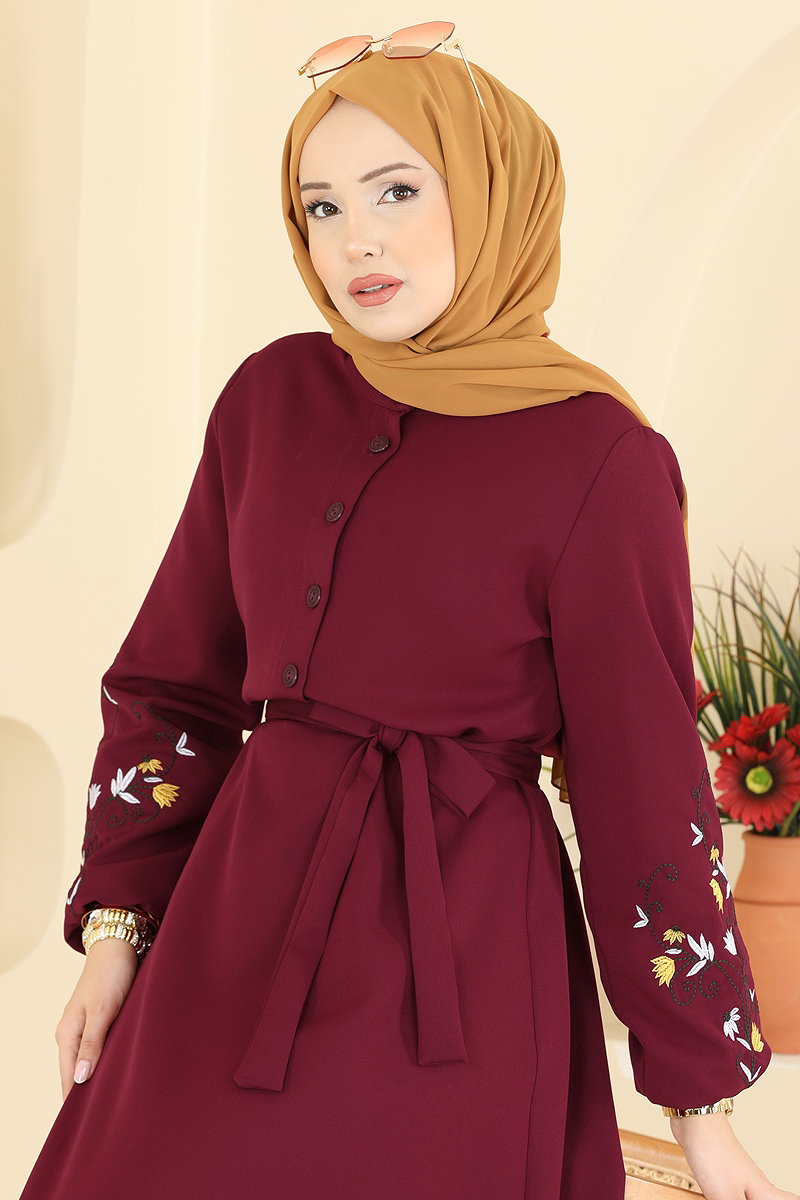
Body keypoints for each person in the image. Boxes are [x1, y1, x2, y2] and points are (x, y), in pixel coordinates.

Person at [19, 29, 796, 1200]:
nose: (355, 240)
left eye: (396, 191)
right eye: (320, 207)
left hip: (459, 971)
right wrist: (116, 937)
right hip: (228, 934)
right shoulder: (270, 397)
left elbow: (642, 788)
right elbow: (170, 686)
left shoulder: (599, 455)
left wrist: (699, 1109)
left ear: (491, 193)